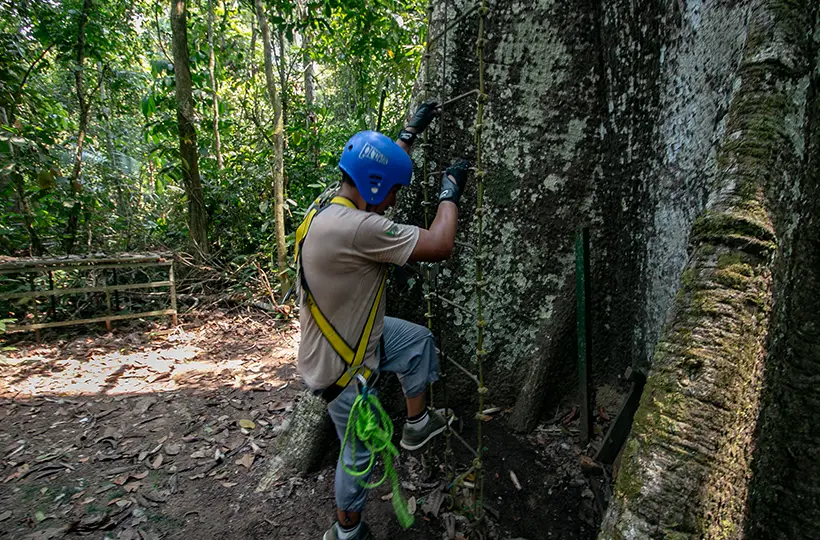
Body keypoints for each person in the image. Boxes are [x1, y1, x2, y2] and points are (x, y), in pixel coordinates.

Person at [295, 101, 470, 540]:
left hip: (353, 336)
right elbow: (440, 243)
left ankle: (416, 424)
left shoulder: (328, 206)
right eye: (391, 192)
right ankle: (346, 531)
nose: (393, 202)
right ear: (373, 186)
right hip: (342, 368)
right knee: (357, 455)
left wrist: (409, 133)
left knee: (417, 341)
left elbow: (375, 167)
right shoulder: (359, 228)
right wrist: (449, 194)